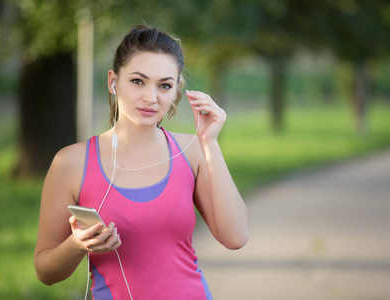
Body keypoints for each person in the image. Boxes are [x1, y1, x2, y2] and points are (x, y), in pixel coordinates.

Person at [34, 24, 248, 300]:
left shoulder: (192, 150)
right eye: (138, 81)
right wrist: (77, 245)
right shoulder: (70, 163)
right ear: (113, 81)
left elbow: (236, 237)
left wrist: (210, 143)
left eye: (164, 85)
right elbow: (45, 271)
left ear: (177, 91)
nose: (151, 97)